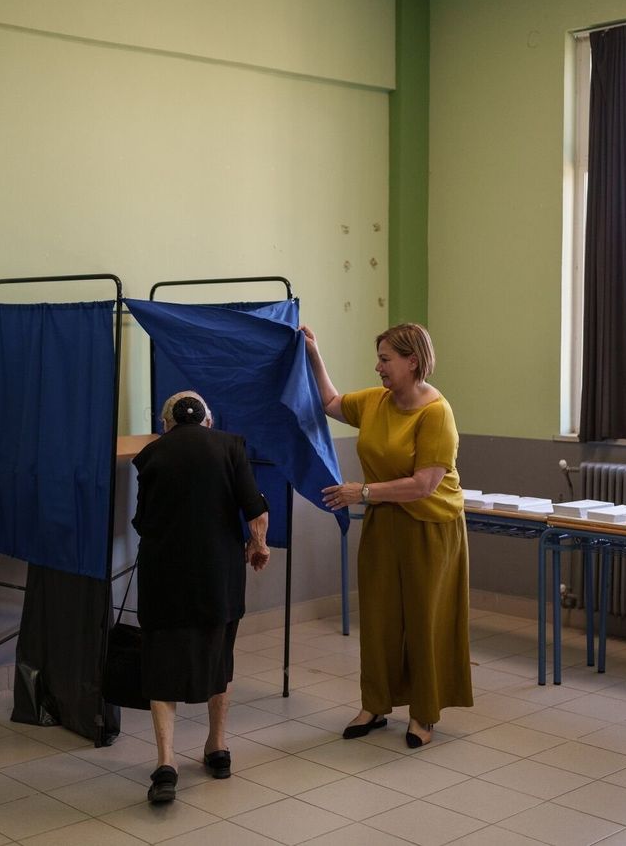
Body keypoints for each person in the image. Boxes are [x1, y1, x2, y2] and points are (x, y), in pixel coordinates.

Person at [300, 322, 472, 748]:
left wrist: (362, 492)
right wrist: (314, 354)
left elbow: (424, 485)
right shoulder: (376, 402)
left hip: (430, 526)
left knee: (424, 620)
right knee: (378, 617)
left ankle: (424, 714)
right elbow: (331, 402)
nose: (378, 367)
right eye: (378, 359)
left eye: (385, 359)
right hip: (385, 522)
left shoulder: (437, 413)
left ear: (412, 362)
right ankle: (374, 705)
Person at [131, 391, 270, 804]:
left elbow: (142, 520)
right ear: (208, 421)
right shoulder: (231, 446)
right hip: (218, 575)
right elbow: (256, 510)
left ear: (166, 424)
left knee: (162, 662)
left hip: (164, 575)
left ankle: (166, 763)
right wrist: (258, 545)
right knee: (219, 655)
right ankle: (217, 747)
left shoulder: (151, 455)